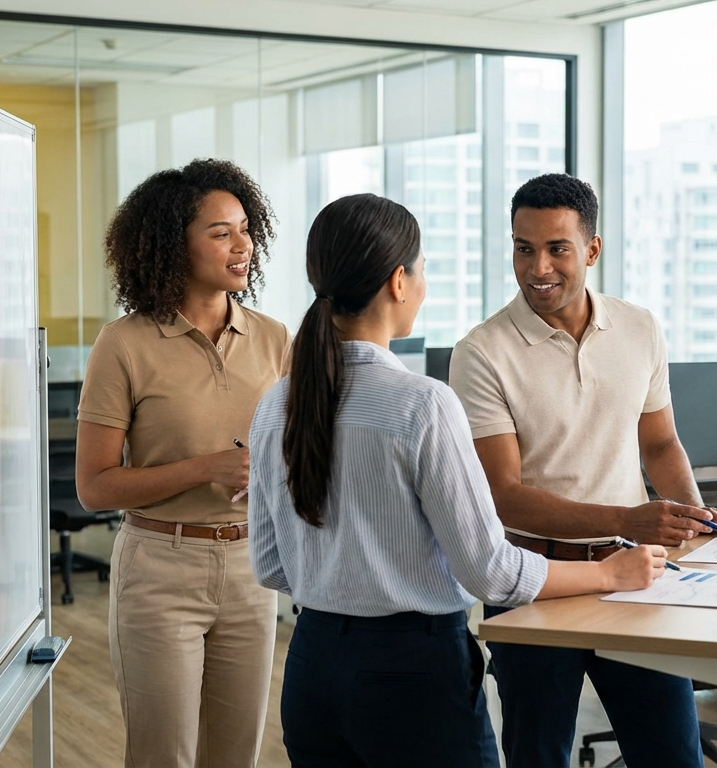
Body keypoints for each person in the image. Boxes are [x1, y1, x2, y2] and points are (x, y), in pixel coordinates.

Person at [246, 193, 667, 768]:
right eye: (421, 271)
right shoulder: (422, 404)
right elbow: (489, 569)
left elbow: (271, 565)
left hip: (313, 666)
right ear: (399, 281)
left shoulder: (277, 404)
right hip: (412, 674)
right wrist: (607, 571)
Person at [449, 173, 717, 768]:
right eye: (523, 248)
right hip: (534, 583)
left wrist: (690, 514)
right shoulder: (482, 351)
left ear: (591, 250)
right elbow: (505, 497)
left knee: (673, 755)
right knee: (538, 756)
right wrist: (633, 518)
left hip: (638, 579)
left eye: (557, 248)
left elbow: (661, 443)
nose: (538, 266)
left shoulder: (638, 327)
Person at [75, 159, 291, 768]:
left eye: (246, 229)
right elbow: (94, 486)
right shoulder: (124, 343)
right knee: (162, 754)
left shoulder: (275, 338)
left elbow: (300, 450)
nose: (242, 245)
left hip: (252, 569)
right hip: (160, 571)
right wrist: (206, 468)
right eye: (221, 233)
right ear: (174, 244)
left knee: (235, 754)